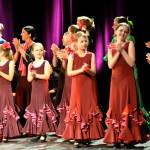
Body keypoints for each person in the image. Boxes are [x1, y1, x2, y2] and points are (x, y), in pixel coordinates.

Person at [104, 23, 145, 148]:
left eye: (126, 32)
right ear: (116, 31)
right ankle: (117, 137)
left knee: (127, 104)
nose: (123, 33)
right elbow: (110, 65)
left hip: (127, 80)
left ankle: (129, 137)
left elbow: (131, 63)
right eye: (121, 30)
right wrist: (118, 51)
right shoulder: (111, 46)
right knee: (116, 105)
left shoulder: (130, 44)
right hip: (116, 80)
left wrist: (122, 50)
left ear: (128, 34)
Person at [62, 31, 104, 148]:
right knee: (77, 108)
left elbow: (94, 72)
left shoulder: (91, 55)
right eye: (82, 41)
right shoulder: (72, 56)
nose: (84, 43)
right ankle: (77, 136)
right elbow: (69, 72)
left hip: (88, 85)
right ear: (76, 43)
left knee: (87, 108)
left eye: (86, 41)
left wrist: (87, 70)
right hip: (77, 86)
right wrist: (81, 70)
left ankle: (86, 136)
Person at [22, 42, 58, 142]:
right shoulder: (31, 64)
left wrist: (36, 75)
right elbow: (29, 79)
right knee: (36, 109)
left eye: (41, 50)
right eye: (36, 50)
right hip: (35, 91)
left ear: (43, 52)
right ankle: (39, 131)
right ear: (33, 52)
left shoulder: (45, 63)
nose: (39, 52)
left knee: (42, 109)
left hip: (43, 90)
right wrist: (32, 75)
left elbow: (47, 76)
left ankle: (43, 133)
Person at [12, 25, 35, 126]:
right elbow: (14, 60)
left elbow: (30, 60)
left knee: (28, 100)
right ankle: (21, 126)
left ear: (29, 34)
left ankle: (30, 126)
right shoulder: (23, 45)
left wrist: (19, 48)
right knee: (20, 100)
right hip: (21, 75)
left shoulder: (34, 46)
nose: (21, 34)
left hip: (29, 76)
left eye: (23, 32)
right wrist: (17, 49)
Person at [0, 42, 21, 142]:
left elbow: (10, 77)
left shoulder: (10, 62)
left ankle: (5, 133)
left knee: (5, 110)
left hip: (5, 89)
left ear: (3, 52)